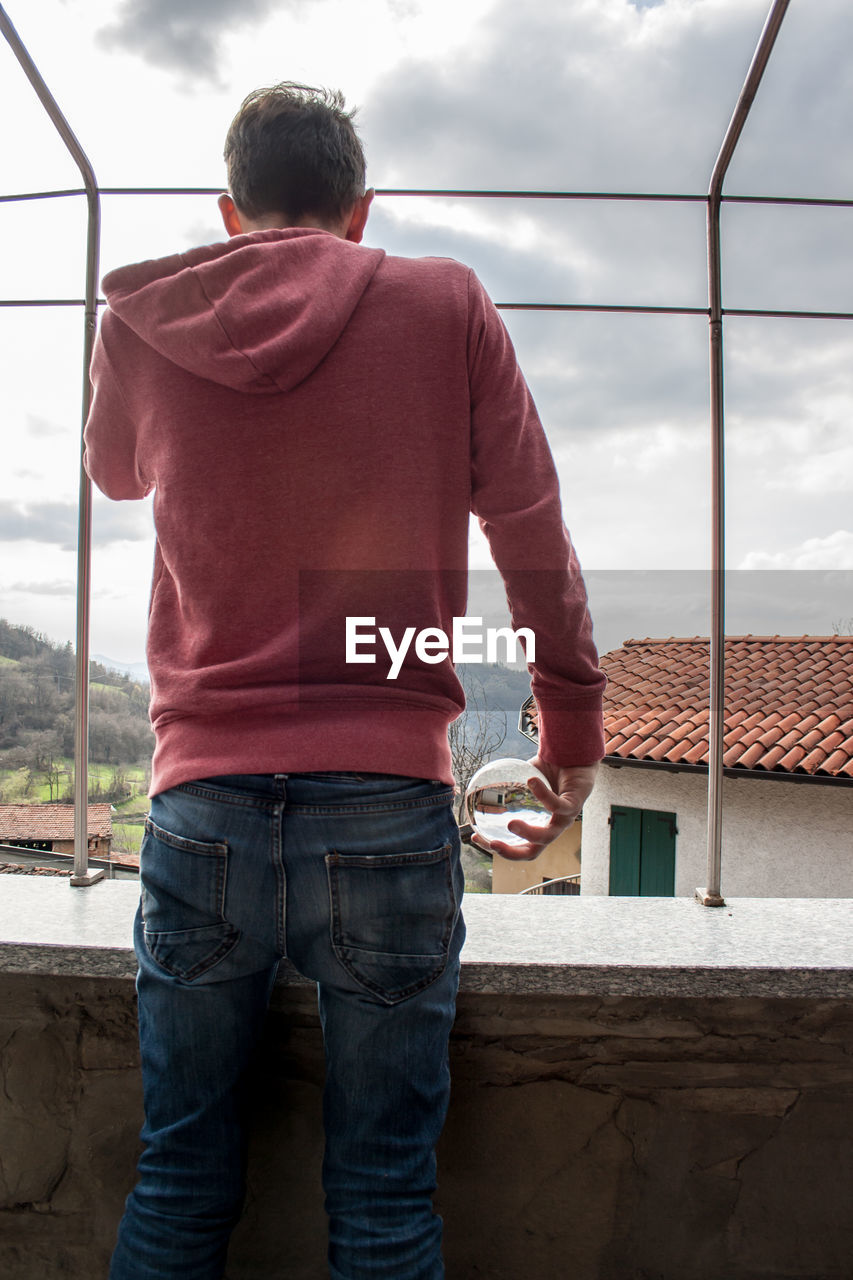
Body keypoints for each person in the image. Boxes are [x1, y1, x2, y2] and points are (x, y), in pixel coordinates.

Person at [83, 82, 605, 1280]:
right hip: (385, 802)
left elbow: (114, 473)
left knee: (177, 1179)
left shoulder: (142, 318)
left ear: (229, 210)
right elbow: (531, 525)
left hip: (200, 799)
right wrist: (569, 718)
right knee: (382, 1196)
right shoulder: (444, 302)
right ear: (359, 212)